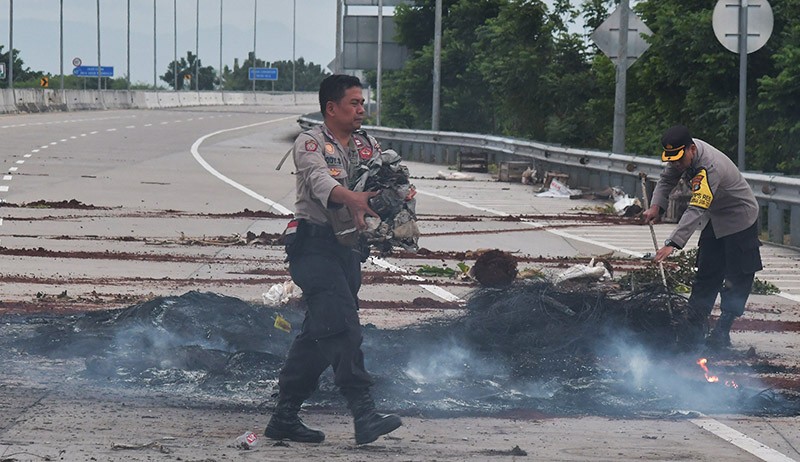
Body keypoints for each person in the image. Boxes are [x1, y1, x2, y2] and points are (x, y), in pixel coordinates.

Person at [264, 74, 402, 445]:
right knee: (342, 327)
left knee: (318, 335)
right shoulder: (310, 142)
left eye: (362, 103)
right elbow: (319, 181)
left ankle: (284, 417)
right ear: (331, 108)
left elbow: (384, 179)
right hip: (313, 248)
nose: (361, 109)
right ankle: (364, 414)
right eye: (354, 103)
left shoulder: (367, 144)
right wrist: (352, 198)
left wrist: (398, 197)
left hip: (347, 251)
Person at [643, 125, 763, 349]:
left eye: (679, 160)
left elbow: (697, 207)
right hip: (716, 218)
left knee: (737, 277)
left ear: (691, 149)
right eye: (672, 160)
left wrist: (672, 243)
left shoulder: (709, 166)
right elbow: (666, 180)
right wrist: (656, 206)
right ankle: (694, 327)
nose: (676, 165)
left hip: (740, 217)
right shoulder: (681, 156)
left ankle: (722, 331)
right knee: (707, 272)